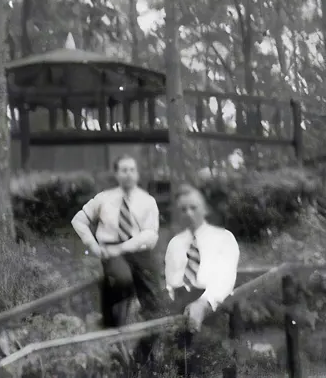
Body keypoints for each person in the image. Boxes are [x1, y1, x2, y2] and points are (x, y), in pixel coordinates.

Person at [70, 154, 163, 367]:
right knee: (122, 279)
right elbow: (78, 220)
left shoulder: (147, 201)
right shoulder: (104, 198)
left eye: (132, 170)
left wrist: (124, 247)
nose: (128, 174)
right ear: (117, 173)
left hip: (140, 252)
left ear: (137, 173)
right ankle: (111, 319)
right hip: (112, 252)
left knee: (158, 308)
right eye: (124, 170)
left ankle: (140, 359)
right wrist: (93, 245)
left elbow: (151, 235)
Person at [164, 183, 240, 377]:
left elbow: (225, 279)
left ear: (205, 209)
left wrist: (203, 303)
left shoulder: (224, 238)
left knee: (216, 364)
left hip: (215, 305)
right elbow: (171, 282)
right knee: (186, 367)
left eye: (193, 208)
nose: (188, 213)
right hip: (183, 307)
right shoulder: (175, 244)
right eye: (183, 209)